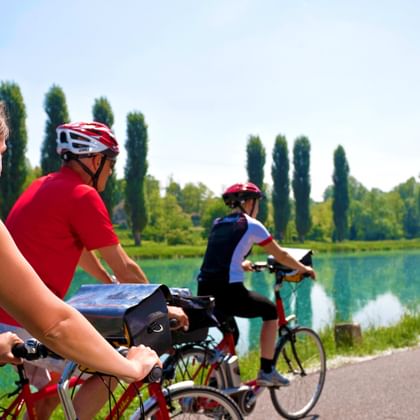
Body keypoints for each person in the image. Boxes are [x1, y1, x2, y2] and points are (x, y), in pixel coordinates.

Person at [0, 120, 186, 419]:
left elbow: (83, 251)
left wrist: (108, 282)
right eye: (111, 163)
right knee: (113, 365)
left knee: (46, 399)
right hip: (26, 322)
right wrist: (163, 308)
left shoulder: (43, 185)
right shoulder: (82, 194)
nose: (111, 172)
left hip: (10, 317)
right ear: (96, 160)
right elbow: (125, 266)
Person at [197, 182, 316, 387]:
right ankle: (267, 370)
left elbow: (219, 256)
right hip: (229, 291)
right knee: (270, 312)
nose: (258, 208)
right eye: (257, 203)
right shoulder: (251, 224)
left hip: (205, 290)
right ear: (249, 203)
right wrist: (303, 269)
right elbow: (281, 254)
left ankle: (216, 383)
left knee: (231, 335)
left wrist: (241, 263)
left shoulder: (219, 223)